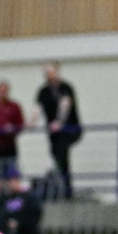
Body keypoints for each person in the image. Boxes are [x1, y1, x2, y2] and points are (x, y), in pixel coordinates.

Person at [35, 62, 80, 198]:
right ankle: (60, 187)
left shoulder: (65, 87)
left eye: (51, 73)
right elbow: (37, 108)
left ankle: (66, 190)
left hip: (69, 129)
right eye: (46, 73)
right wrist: (30, 123)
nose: (48, 76)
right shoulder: (44, 91)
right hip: (54, 132)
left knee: (62, 154)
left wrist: (60, 121)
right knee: (56, 156)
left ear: (57, 72)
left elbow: (65, 104)